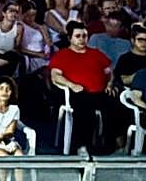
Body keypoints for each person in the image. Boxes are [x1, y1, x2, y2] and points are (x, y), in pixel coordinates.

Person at [49, 21, 116, 155]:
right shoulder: (62, 55)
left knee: (116, 106)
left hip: (99, 92)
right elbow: (55, 76)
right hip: (78, 92)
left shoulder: (96, 53)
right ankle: (82, 146)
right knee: (85, 108)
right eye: (78, 36)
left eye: (84, 36)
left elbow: (109, 71)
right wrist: (72, 85)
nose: (82, 39)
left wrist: (110, 83)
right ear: (70, 38)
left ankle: (111, 146)